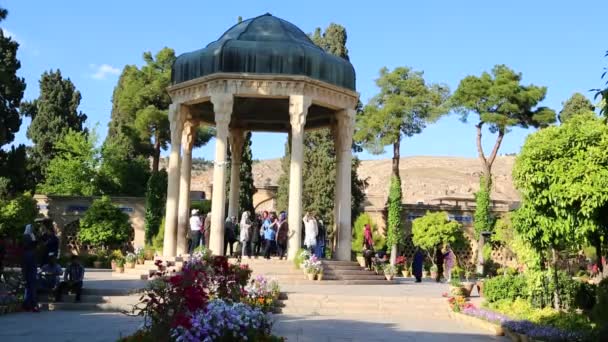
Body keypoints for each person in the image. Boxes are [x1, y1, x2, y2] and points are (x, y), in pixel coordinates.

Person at [22, 224, 39, 312]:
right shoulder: (26, 236)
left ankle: (28, 304)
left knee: (30, 287)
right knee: (30, 287)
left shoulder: (32, 235)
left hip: (31, 263)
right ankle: (32, 305)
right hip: (29, 262)